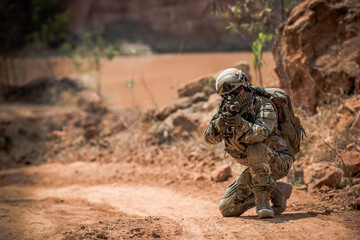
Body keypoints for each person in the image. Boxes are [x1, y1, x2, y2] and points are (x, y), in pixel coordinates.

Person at [204, 68, 293, 219]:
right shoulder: (224, 108)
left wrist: (240, 123)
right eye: (227, 95)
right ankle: (278, 190)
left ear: (245, 86)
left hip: (278, 162)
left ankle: (262, 202)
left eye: (236, 92)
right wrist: (219, 124)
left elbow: (260, 134)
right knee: (227, 208)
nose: (232, 97)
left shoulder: (263, 103)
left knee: (255, 147)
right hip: (257, 168)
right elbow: (209, 139)